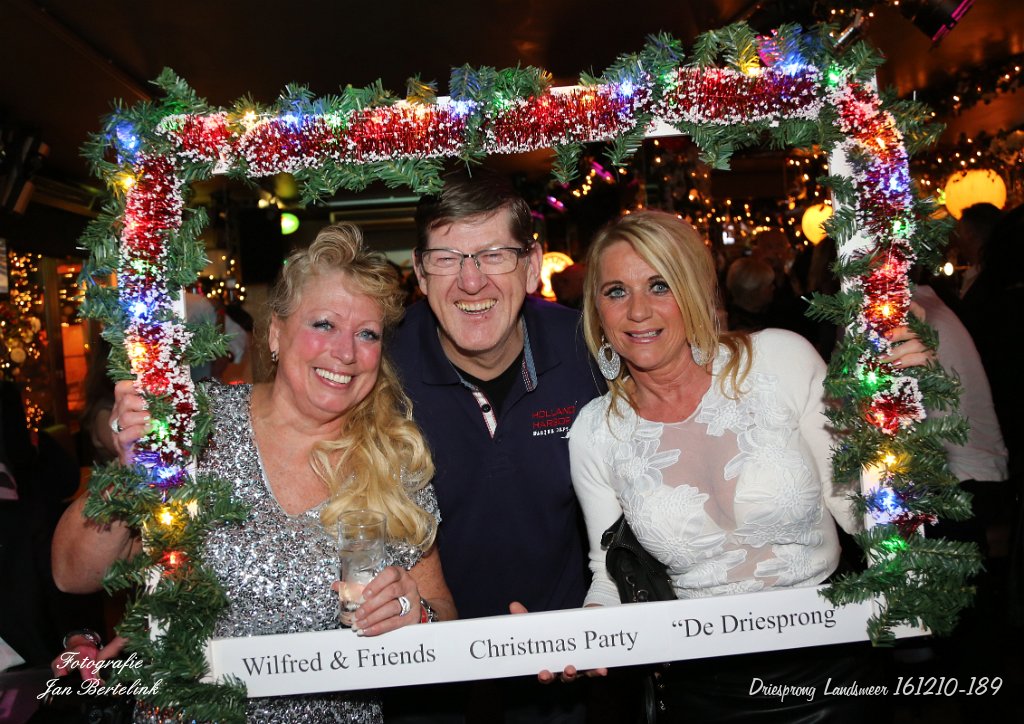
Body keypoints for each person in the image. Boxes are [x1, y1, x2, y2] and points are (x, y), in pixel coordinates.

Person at [51, 223, 456, 723]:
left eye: (366, 334)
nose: (346, 353)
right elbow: (72, 575)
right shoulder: (196, 424)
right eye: (324, 324)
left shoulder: (391, 457)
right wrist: (133, 470)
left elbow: (441, 615)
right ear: (277, 333)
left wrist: (416, 614)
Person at [565, 211, 933, 721]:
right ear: (596, 310)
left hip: (832, 672)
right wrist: (577, 638)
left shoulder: (779, 360)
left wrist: (895, 414)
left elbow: (858, 505)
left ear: (695, 290)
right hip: (704, 692)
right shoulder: (595, 430)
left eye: (659, 285)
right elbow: (610, 575)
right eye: (616, 291)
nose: (638, 311)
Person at [386, 166, 605, 723]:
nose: (471, 281)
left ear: (531, 266)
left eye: (494, 255)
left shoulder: (587, 351)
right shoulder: (379, 370)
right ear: (420, 272)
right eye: (447, 258)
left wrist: (605, 614)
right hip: (421, 677)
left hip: (562, 666)